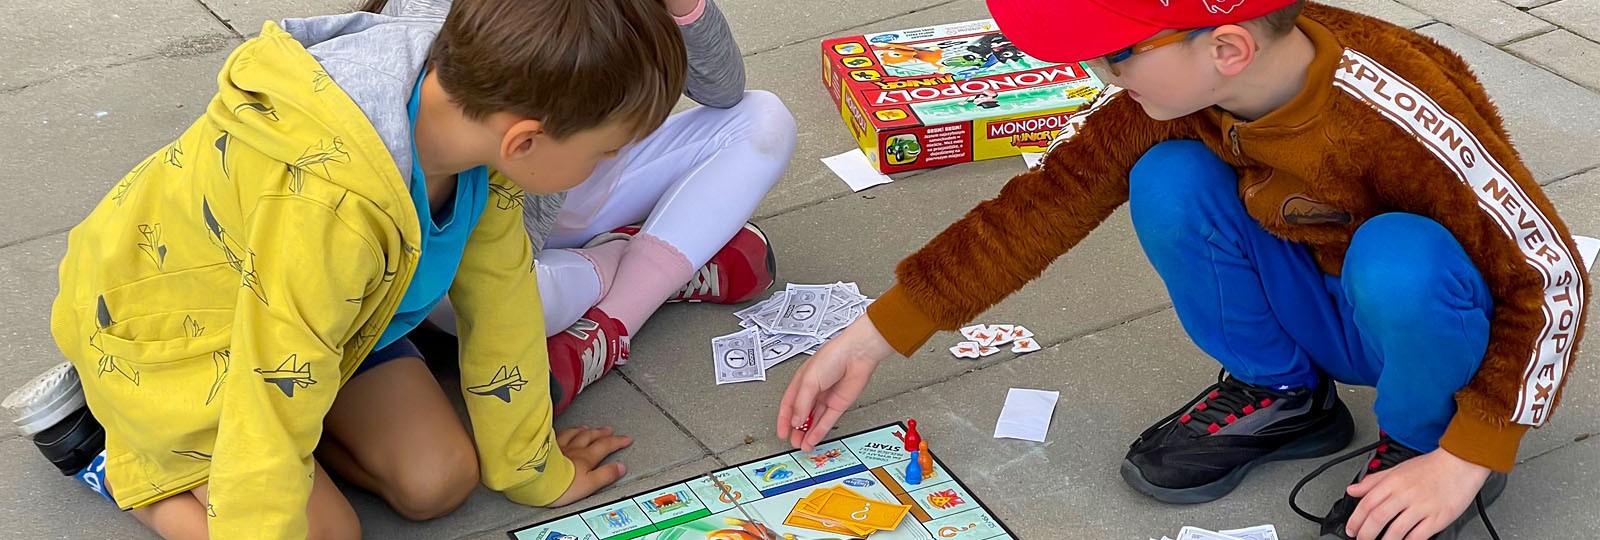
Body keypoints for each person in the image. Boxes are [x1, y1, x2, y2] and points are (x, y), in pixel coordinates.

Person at [776, 2, 1587, 539]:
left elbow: (1551, 275)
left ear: (1227, 48)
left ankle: (1421, 444)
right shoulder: (1174, 93)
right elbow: (1043, 203)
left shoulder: (1399, 107)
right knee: (1168, 177)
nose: (1099, 75)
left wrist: (1472, 451)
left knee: (1400, 256)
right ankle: (1284, 396)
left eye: (1113, 55)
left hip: (1429, 326)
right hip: (1324, 302)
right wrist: (876, 333)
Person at [2, 0, 685, 537]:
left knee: (437, 482)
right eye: (605, 151)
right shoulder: (329, 208)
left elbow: (503, 304)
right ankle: (111, 460)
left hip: (324, 325)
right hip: (175, 344)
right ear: (525, 140)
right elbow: (271, 389)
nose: (607, 164)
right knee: (325, 533)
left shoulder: (474, 124)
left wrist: (534, 470)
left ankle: (278, 453)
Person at [414, 0, 798, 414]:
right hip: (494, 212)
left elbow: (723, 90)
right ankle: (649, 264)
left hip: (575, 162)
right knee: (488, 300)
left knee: (764, 119)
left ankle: (609, 326)